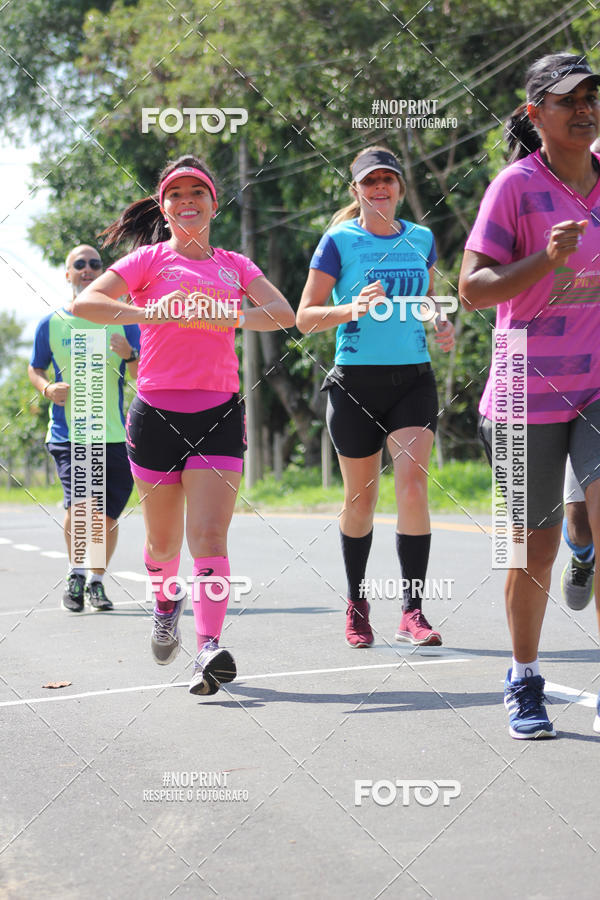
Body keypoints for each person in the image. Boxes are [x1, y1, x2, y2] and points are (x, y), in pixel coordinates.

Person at [71, 156, 295, 696]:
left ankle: (208, 649)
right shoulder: (147, 260)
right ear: (164, 207)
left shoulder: (235, 265)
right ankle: (165, 601)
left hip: (218, 412)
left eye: (198, 192)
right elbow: (85, 303)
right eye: (176, 194)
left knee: (210, 536)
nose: (188, 200)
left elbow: (285, 314)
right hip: (155, 415)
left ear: (214, 204)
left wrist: (228, 315)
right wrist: (152, 312)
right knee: (163, 542)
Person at [459, 53, 600, 738]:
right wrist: (545, 259)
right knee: (532, 550)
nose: (583, 108)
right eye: (567, 99)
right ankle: (523, 675)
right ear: (534, 112)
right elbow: (473, 289)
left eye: (592, 96)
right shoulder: (513, 189)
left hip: (597, 387)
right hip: (524, 395)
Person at [297, 146, 454, 650]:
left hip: (412, 377)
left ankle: (412, 610)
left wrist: (439, 319)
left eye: (388, 180)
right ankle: (357, 603)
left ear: (401, 187)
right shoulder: (338, 242)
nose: (379, 188)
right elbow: (304, 317)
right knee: (360, 500)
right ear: (356, 190)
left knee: (412, 488)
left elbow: (424, 299)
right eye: (370, 182)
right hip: (355, 382)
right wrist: (352, 308)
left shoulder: (421, 238)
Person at [28, 245, 140, 612]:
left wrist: (130, 355)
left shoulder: (125, 321)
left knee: (107, 514)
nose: (88, 269)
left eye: (95, 264)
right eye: (79, 264)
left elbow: (143, 377)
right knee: (81, 505)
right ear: (68, 274)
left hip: (114, 435)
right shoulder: (52, 322)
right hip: (69, 433)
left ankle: (96, 581)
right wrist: (46, 388)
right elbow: (36, 367)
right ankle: (76, 573)